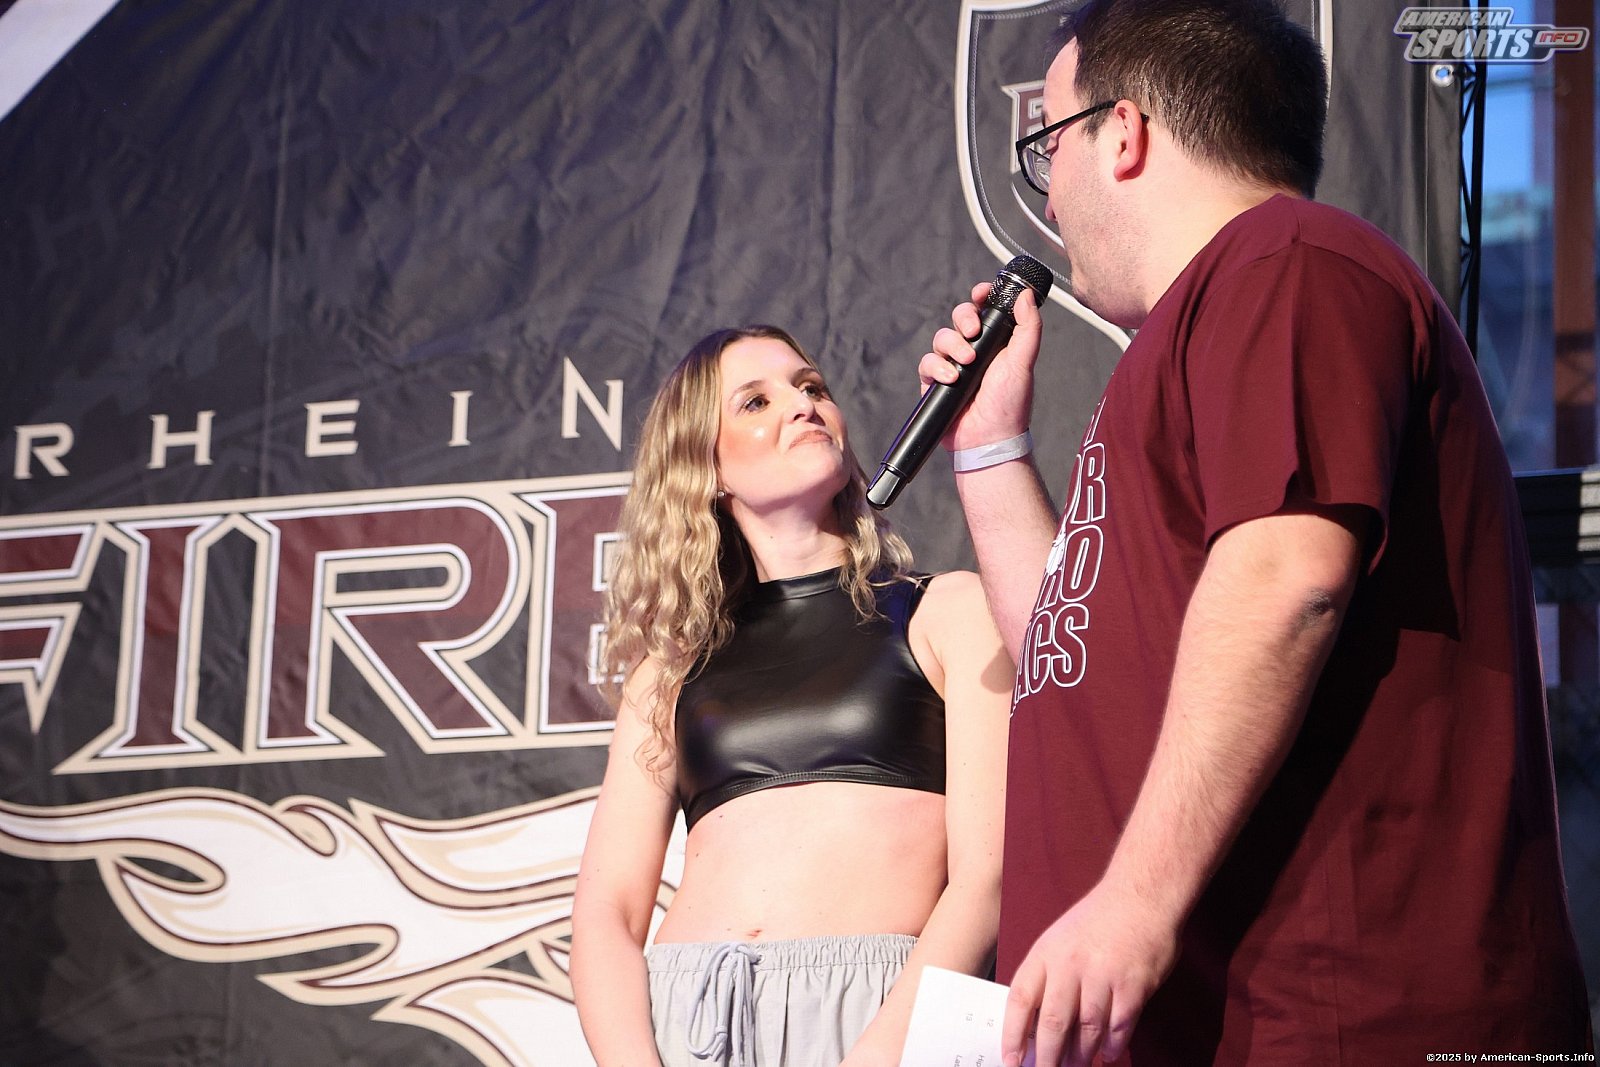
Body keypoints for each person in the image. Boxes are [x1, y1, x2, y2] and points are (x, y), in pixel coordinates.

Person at [920, 2, 1594, 1064]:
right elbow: (1073, 651)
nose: (1046, 194)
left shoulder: (1286, 263)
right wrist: (989, 447)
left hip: (1336, 1018)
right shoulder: (1202, 327)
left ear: (1123, 133)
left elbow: (1287, 578)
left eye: (1049, 144)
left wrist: (1132, 904)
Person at [571, 325, 1012, 1066]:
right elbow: (606, 911)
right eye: (756, 401)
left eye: (811, 388)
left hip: (883, 1015)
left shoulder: (947, 610)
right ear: (706, 467)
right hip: (690, 1019)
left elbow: (988, 876)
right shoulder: (672, 669)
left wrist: (879, 1055)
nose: (803, 405)